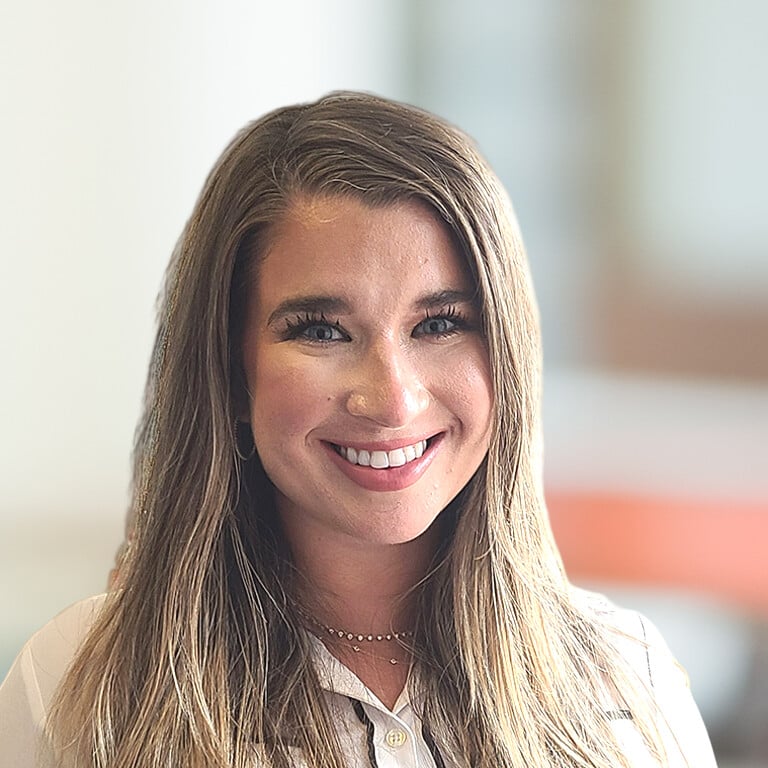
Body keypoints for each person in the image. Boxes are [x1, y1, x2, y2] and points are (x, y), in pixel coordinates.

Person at [0, 92, 717, 768]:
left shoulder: (630, 683)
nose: (392, 399)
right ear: (230, 366)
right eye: (321, 330)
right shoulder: (77, 680)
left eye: (439, 324)